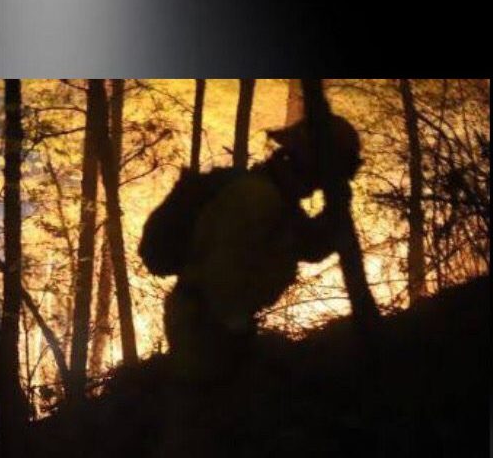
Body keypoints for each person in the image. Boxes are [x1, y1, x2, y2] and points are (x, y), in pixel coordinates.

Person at [139, 114, 362, 377]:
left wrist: (336, 211)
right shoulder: (258, 198)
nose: (317, 188)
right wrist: (235, 337)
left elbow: (309, 247)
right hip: (204, 330)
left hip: (213, 327)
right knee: (211, 410)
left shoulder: (277, 198)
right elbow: (222, 276)